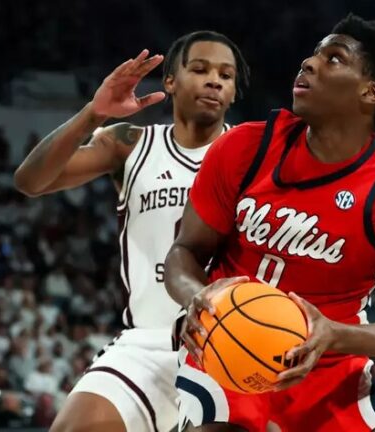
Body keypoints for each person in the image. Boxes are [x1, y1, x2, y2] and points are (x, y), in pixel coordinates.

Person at [166, 14, 375, 432]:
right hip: (231, 343)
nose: (309, 64)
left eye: (333, 59)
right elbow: (184, 252)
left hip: (330, 361)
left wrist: (335, 334)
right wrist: (197, 298)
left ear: (371, 92)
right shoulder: (244, 147)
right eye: (313, 54)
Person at [14, 30, 249, 432]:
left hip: (231, 340)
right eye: (200, 69)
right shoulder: (130, 144)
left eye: (226, 76)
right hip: (149, 341)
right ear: (170, 81)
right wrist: (94, 113)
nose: (215, 80)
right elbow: (31, 181)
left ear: (232, 94)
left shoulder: (251, 156)